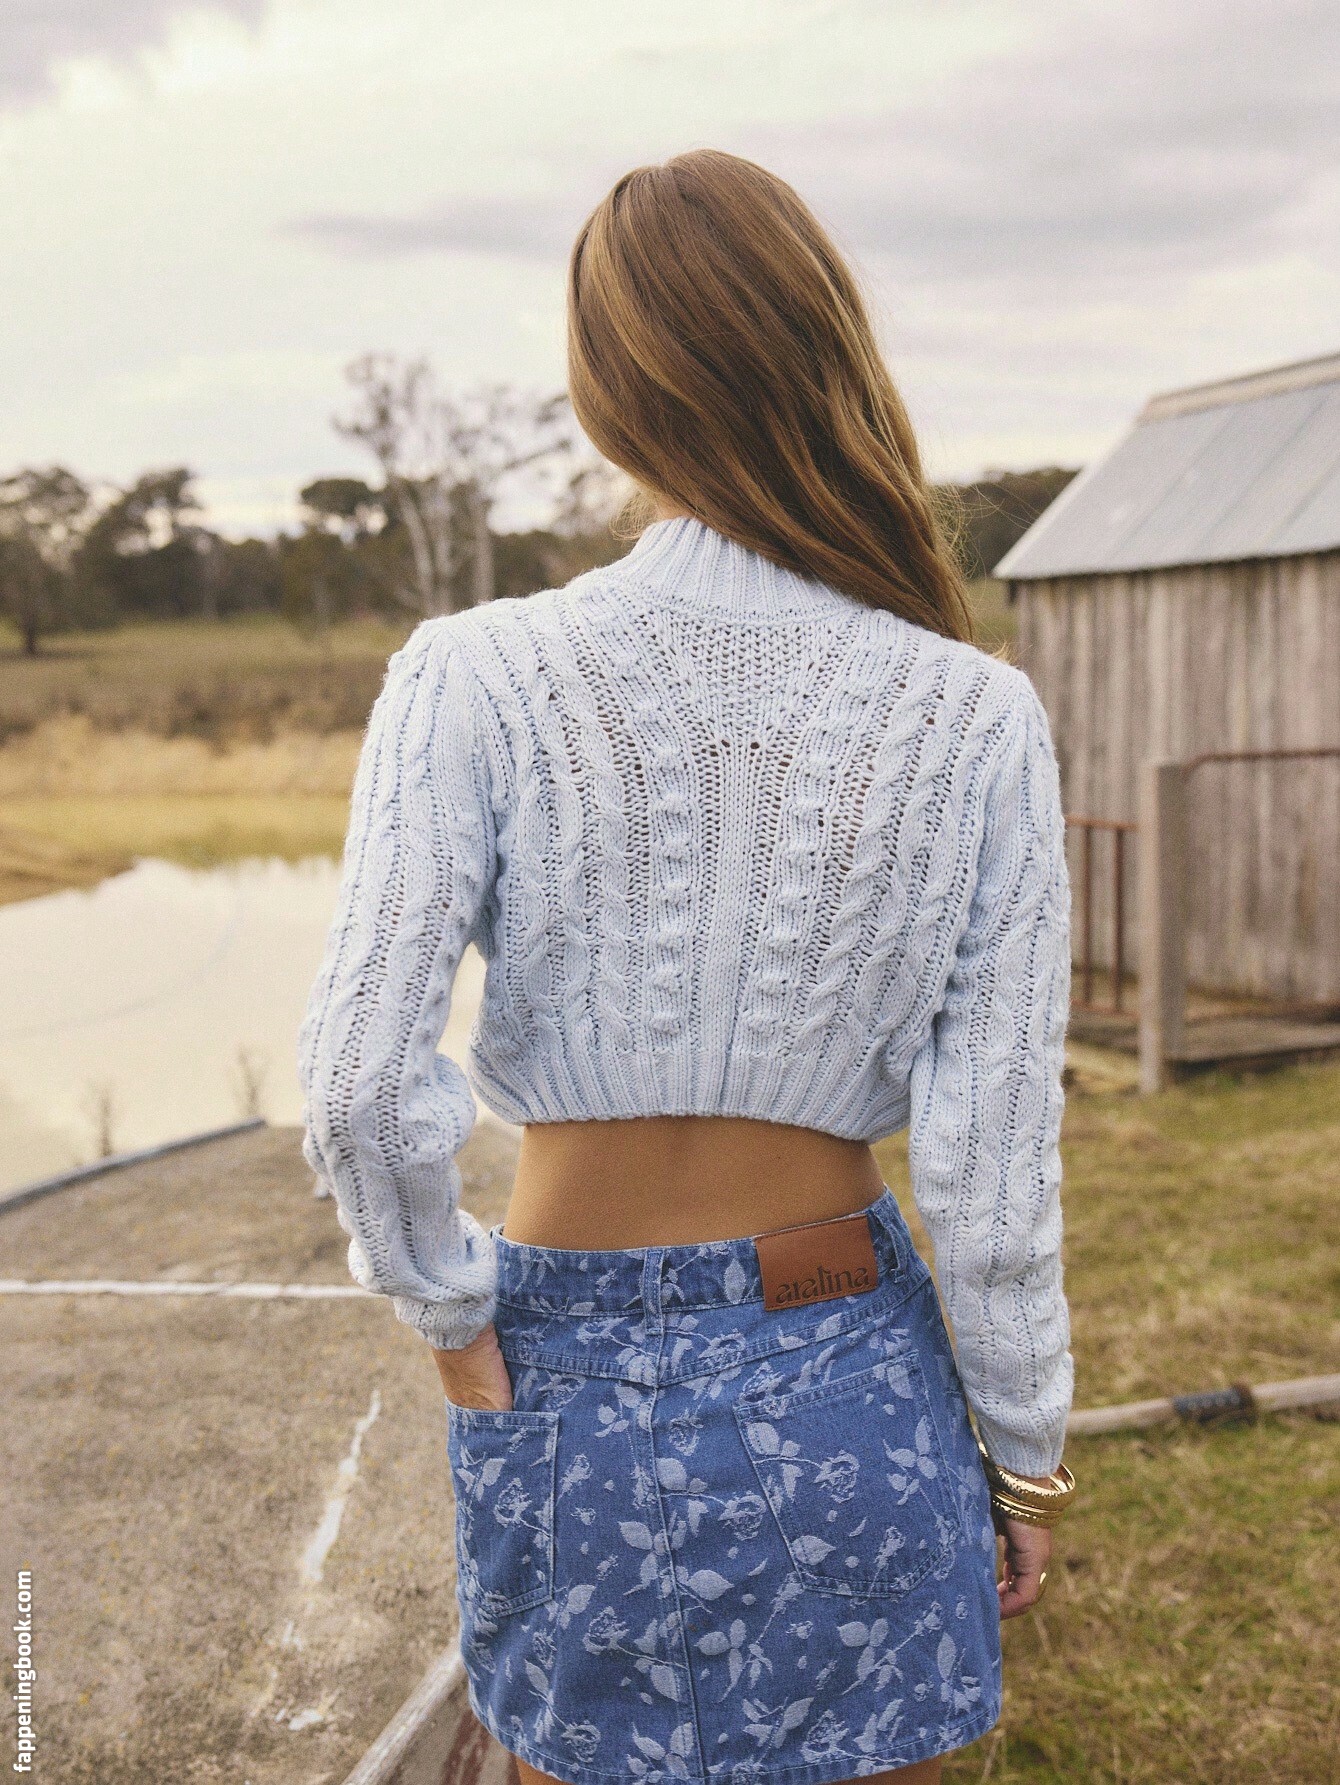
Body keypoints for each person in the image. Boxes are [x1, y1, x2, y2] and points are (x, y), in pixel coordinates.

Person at [299, 149, 1075, 1785]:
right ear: (829, 354)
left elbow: (361, 1082)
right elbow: (995, 1161)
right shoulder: (973, 711)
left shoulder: (472, 676)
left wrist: (449, 1312)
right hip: (852, 1356)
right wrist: (1023, 1445)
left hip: (559, 1382)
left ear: (606, 390)